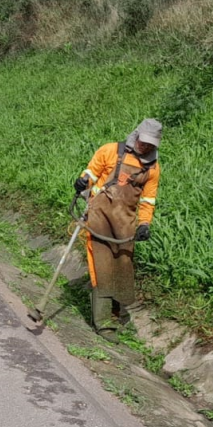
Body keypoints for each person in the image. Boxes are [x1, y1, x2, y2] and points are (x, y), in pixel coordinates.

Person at [74, 118, 162, 340]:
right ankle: (103, 323)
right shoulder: (111, 151)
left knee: (122, 267)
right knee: (102, 269)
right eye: (144, 142)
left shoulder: (152, 168)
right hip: (99, 218)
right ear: (136, 135)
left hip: (124, 224)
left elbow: (148, 200)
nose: (146, 147)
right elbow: (92, 173)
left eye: (151, 144)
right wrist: (84, 181)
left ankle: (119, 313)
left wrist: (144, 224)